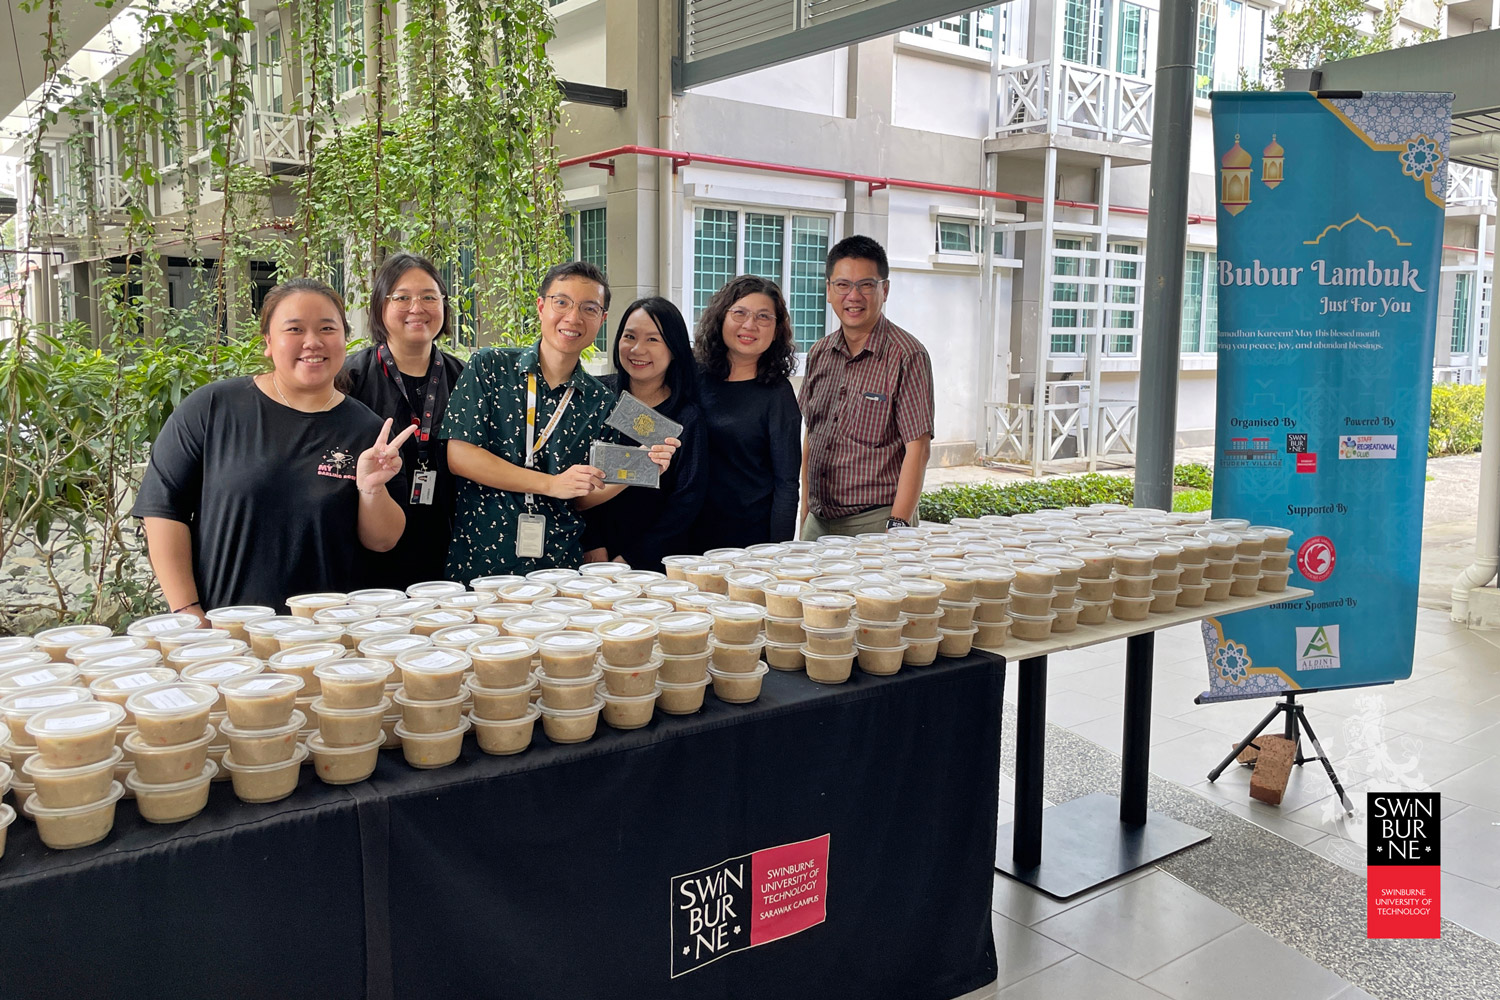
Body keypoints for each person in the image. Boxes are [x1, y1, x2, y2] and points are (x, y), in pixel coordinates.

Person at [133, 278, 413, 620]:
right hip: (227, 630)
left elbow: (383, 541)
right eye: (294, 329)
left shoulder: (370, 430)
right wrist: (187, 610)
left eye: (327, 328)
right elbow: (164, 510)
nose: (313, 342)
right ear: (268, 341)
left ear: (344, 338)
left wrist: (371, 489)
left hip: (328, 632)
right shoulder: (212, 408)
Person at [442, 261, 679, 578]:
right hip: (482, 561)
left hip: (559, 565)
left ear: (602, 320)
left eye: (589, 308)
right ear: (541, 306)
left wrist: (644, 468)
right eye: (561, 302)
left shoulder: (602, 402)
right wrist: (551, 484)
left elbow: (580, 497)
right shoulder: (491, 366)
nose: (573, 317)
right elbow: (460, 456)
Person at [342, 252, 466, 588]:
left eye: (429, 297)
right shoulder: (349, 378)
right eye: (402, 297)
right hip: (368, 554)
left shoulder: (464, 378)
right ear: (380, 306)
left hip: (448, 550)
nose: (417, 308)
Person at [799, 235, 933, 540]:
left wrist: (898, 526)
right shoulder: (819, 353)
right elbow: (812, 434)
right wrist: (805, 511)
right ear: (829, 290)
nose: (853, 296)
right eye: (843, 285)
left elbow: (918, 448)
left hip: (876, 523)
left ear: (884, 290)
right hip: (818, 522)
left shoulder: (906, 355)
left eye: (866, 285)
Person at [580, 297, 707, 572]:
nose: (637, 349)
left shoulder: (687, 417)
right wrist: (592, 543)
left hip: (652, 563)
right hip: (589, 556)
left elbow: (686, 501)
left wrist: (631, 559)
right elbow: (573, 472)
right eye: (630, 336)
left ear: (673, 348)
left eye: (653, 340)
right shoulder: (596, 397)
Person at [691, 275, 801, 550]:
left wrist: (778, 552)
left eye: (764, 317)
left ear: (776, 330)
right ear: (721, 317)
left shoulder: (778, 394)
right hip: (684, 533)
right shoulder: (692, 377)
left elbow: (787, 484)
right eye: (739, 313)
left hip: (749, 543)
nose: (750, 325)